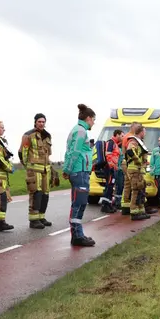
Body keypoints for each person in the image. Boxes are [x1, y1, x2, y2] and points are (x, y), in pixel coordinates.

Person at [62, 104, 97, 247]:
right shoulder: (81, 131)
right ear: (88, 118)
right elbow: (74, 152)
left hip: (80, 170)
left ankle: (78, 234)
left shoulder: (78, 130)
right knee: (79, 203)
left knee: (79, 203)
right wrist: (67, 170)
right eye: (93, 119)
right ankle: (77, 236)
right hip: (79, 171)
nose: (94, 122)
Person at [19, 113, 53, 229]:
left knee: (45, 194)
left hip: (45, 170)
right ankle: (33, 220)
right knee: (36, 194)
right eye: (39, 121)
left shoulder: (48, 136)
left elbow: (48, 154)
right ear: (35, 122)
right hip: (34, 170)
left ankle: (41, 217)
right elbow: (22, 153)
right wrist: (28, 166)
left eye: (43, 122)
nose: (41, 123)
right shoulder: (28, 135)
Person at [125, 125, 151, 220]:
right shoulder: (133, 141)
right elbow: (130, 151)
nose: (145, 134)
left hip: (139, 170)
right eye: (144, 132)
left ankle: (140, 211)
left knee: (140, 190)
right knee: (136, 190)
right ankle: (134, 212)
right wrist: (138, 161)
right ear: (141, 132)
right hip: (135, 169)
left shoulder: (139, 142)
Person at [101, 129, 123, 213]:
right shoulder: (111, 142)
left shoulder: (115, 144)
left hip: (113, 168)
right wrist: (112, 166)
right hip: (109, 168)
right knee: (109, 186)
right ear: (117, 135)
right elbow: (108, 154)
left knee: (110, 186)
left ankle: (109, 204)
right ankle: (105, 205)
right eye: (122, 135)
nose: (122, 137)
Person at [119, 122, 139, 215]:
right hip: (129, 163)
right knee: (134, 185)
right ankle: (135, 206)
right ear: (134, 128)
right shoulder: (131, 138)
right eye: (138, 127)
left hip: (125, 162)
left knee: (127, 184)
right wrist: (137, 160)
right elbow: (129, 150)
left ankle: (125, 205)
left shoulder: (126, 136)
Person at [150, 136, 160, 207]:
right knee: (159, 187)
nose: (159, 142)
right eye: (159, 140)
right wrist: (152, 171)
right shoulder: (155, 150)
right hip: (157, 172)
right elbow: (152, 161)